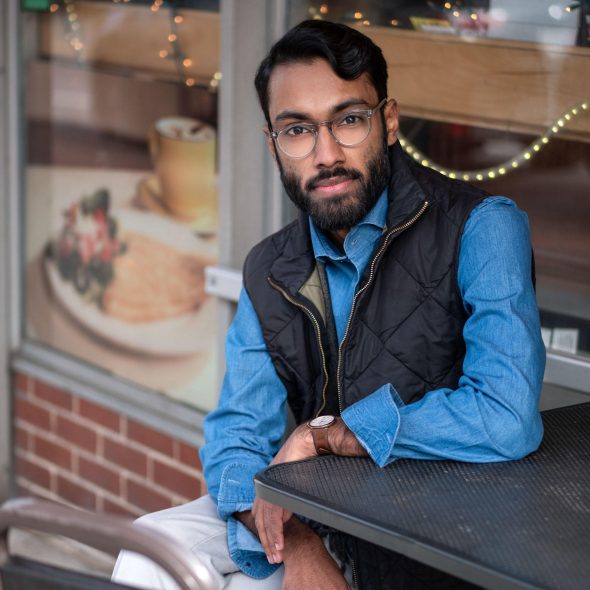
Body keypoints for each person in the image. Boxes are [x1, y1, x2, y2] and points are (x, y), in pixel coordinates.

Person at [112, 19, 545, 590]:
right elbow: (237, 435)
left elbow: (506, 415)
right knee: (149, 550)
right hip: (315, 514)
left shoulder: (480, 228)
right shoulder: (270, 268)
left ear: (387, 121)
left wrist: (328, 434)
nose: (326, 154)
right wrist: (297, 543)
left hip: (429, 530)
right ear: (273, 145)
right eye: (297, 130)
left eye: (348, 120)